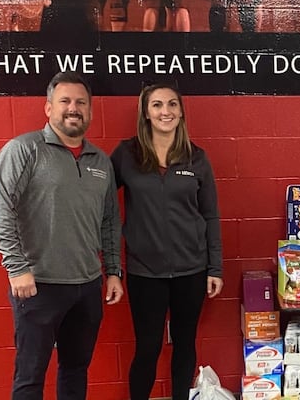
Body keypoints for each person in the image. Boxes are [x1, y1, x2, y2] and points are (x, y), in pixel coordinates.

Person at [0, 71, 124, 400]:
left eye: (81, 102)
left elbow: (109, 221)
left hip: (87, 287)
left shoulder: (101, 162)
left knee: (75, 370)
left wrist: (114, 272)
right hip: (38, 287)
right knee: (30, 376)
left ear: (90, 111)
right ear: (49, 108)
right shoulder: (23, 150)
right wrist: (17, 267)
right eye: (65, 101)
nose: (73, 108)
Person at [111, 81, 224, 400]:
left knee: (185, 343)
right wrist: (111, 265)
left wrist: (215, 267)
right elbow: (102, 204)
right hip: (144, 272)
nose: (165, 111)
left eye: (172, 104)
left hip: (192, 269)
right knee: (147, 347)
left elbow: (211, 215)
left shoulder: (196, 158)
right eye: (157, 105)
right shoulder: (126, 154)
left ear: (181, 112)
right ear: (145, 112)